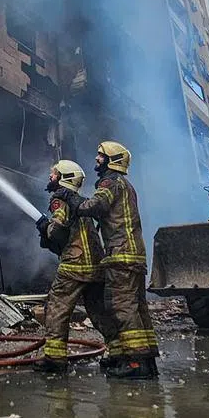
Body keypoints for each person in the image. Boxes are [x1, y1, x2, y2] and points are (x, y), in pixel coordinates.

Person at [54, 141, 159, 379]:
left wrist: (70, 197)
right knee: (138, 308)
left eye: (100, 157)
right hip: (134, 256)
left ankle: (135, 365)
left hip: (120, 256)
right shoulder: (127, 185)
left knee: (121, 307)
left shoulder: (110, 182)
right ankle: (147, 360)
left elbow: (94, 206)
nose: (96, 161)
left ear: (112, 161)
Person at [34, 160, 118, 374]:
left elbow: (58, 231)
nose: (50, 177)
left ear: (63, 178)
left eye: (53, 174)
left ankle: (54, 358)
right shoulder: (80, 202)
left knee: (56, 308)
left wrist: (46, 228)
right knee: (100, 311)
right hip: (96, 265)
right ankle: (119, 352)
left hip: (74, 264)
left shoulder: (59, 200)